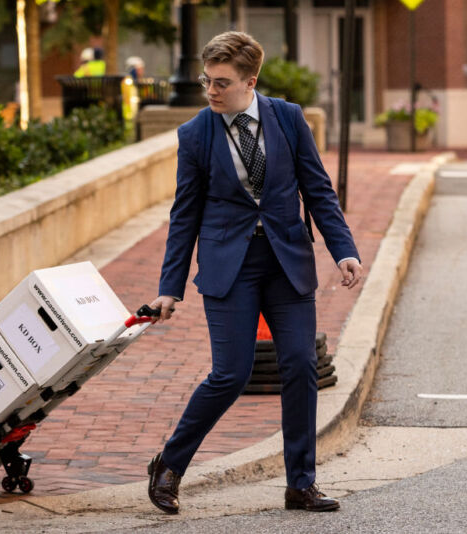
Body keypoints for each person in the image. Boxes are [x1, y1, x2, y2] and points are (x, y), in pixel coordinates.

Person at [146, 31, 362, 515]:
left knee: (301, 367)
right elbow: (185, 214)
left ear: (251, 81)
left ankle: (300, 484)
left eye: (222, 82)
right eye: (206, 80)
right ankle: (169, 466)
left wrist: (342, 250)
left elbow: (318, 190)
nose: (211, 91)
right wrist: (169, 288)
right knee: (231, 373)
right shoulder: (196, 133)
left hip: (287, 263)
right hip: (230, 268)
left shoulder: (287, 118)